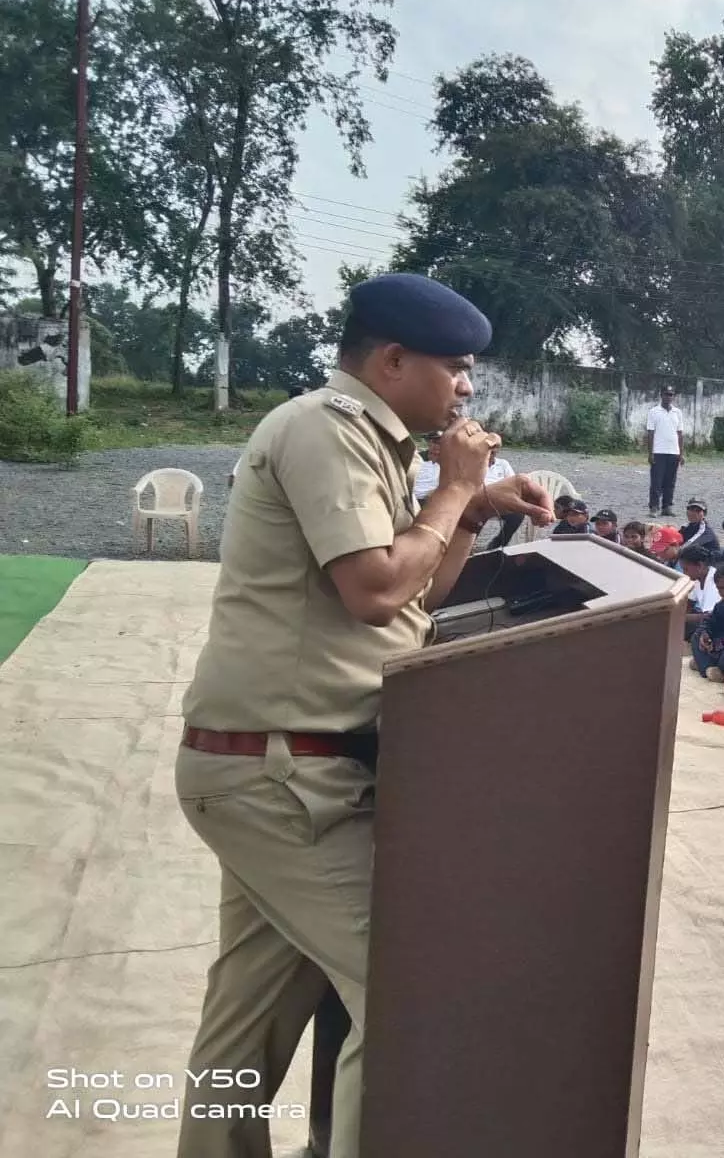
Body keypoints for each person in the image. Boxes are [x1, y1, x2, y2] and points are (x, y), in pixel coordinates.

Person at [173, 272, 555, 1158]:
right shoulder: (324, 429)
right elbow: (376, 590)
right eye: (456, 369)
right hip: (283, 778)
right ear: (392, 361)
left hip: (283, 770)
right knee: (404, 993)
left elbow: (426, 590)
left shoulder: (382, 446)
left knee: (247, 1023)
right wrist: (457, 490)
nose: (468, 389)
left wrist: (472, 509)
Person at [645, 385, 685, 517]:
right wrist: (650, 453)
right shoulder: (654, 412)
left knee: (670, 481)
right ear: (661, 395)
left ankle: (667, 506)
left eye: (671, 394)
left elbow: (680, 434)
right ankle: (654, 507)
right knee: (656, 481)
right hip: (658, 451)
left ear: (674, 396)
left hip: (673, 452)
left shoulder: (677, 412)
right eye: (666, 394)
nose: (669, 397)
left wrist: (681, 453)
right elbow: (650, 433)